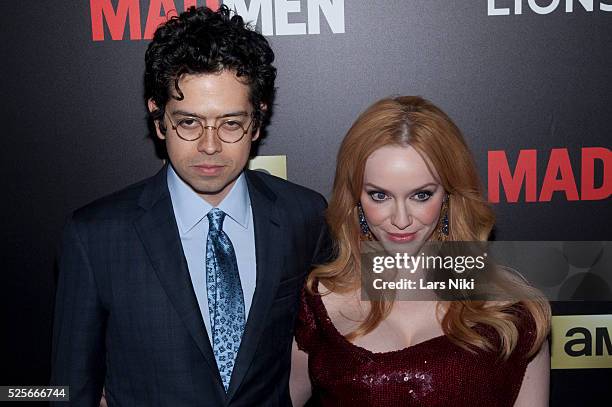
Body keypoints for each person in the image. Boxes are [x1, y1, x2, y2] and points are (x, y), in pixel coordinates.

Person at [51, 6, 329, 406]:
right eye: (188, 122)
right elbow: (68, 391)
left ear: (257, 120)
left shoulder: (302, 215)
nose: (210, 145)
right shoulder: (94, 236)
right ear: (158, 119)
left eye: (231, 123)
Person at [290, 96, 551, 406]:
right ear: (356, 199)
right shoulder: (319, 306)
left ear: (449, 197)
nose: (401, 220)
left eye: (421, 195)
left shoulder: (512, 316)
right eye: (380, 195)